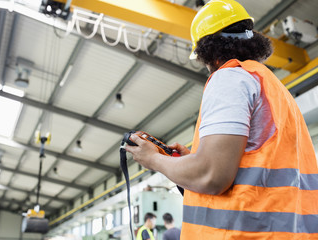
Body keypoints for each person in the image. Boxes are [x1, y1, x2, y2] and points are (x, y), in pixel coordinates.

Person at [125, 0, 318, 239]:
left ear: (208, 51)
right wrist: (192, 163)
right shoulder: (273, 87)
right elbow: (253, 174)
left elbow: (212, 176)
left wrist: (153, 159)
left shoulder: (229, 78)